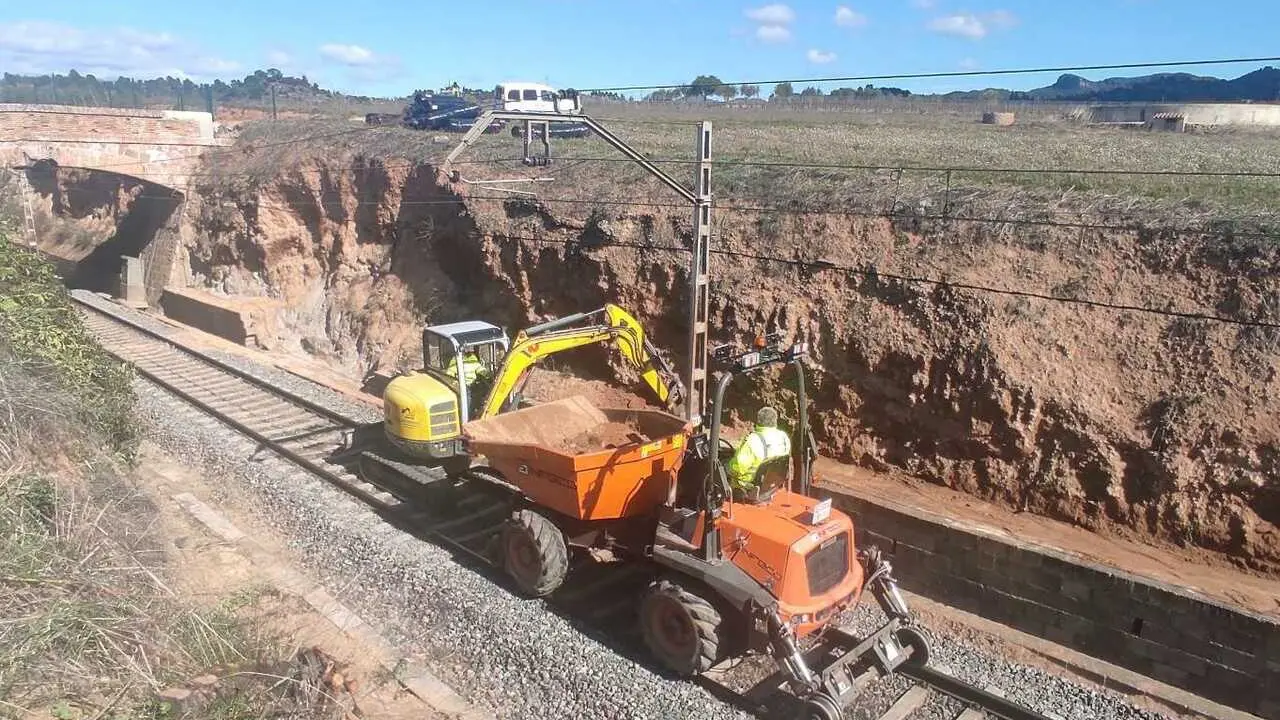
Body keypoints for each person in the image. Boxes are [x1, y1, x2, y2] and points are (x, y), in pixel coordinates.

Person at [726, 406, 792, 492]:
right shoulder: (784, 437)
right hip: (773, 484)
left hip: (748, 486)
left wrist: (727, 467)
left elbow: (737, 468)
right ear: (775, 421)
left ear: (758, 421)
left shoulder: (753, 441)